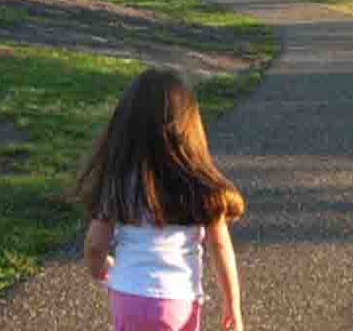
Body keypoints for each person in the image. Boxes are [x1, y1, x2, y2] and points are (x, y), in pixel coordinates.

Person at [77, 68, 245, 331]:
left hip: (128, 296)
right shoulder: (200, 187)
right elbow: (221, 247)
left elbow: (96, 245)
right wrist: (231, 302)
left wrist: (100, 268)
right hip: (179, 300)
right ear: (189, 130)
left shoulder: (119, 183)